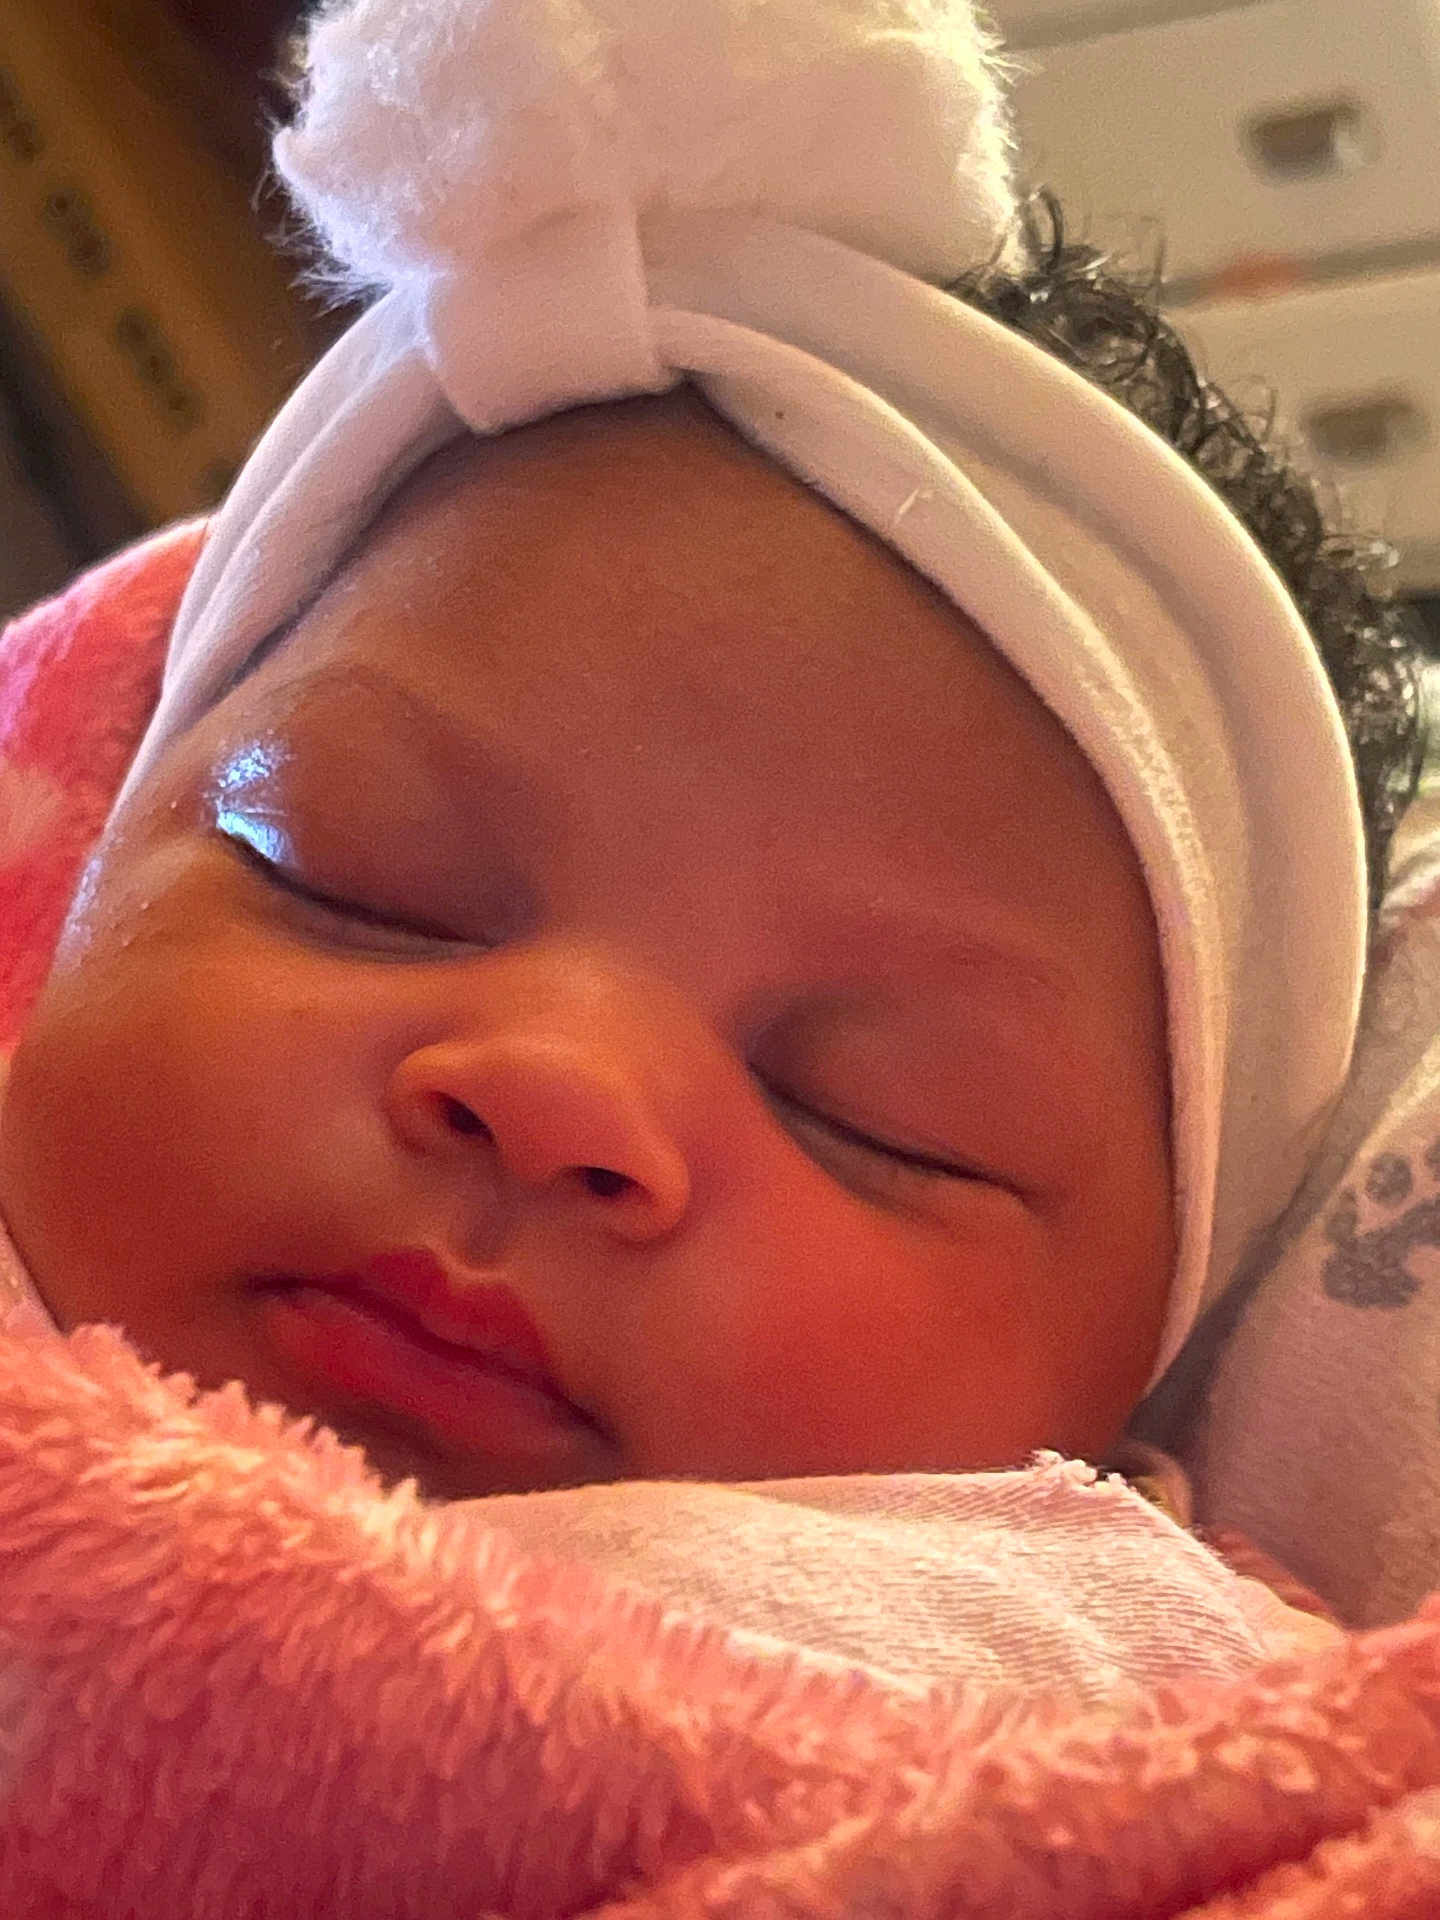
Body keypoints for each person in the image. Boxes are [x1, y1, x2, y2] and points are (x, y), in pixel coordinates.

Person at [0, 0, 1425, 1516]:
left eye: (874, 1120)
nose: (555, 1085)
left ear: (1137, 1379)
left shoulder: (1129, 1702)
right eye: (348, 879)